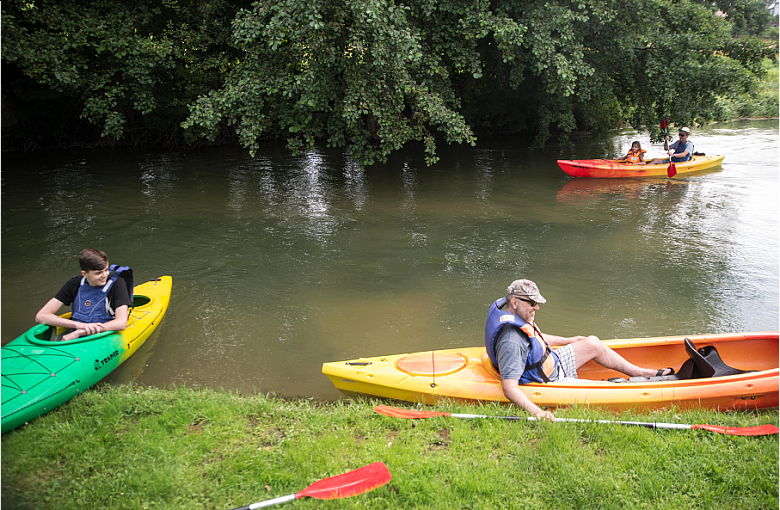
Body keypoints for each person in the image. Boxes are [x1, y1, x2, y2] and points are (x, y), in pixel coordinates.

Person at [484, 279, 673, 421]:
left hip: (552, 361)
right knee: (610, 389)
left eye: (537, 302)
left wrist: (568, 340)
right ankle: (641, 387)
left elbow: (533, 336)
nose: (537, 307)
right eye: (532, 303)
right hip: (548, 380)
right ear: (515, 302)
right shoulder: (511, 342)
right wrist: (538, 413)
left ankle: (641, 372)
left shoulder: (515, 311)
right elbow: (509, 388)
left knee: (592, 343)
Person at [35, 248, 131, 341]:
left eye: (106, 270)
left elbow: (121, 323)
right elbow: (41, 316)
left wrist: (80, 332)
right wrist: (77, 325)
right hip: (77, 331)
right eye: (98, 273)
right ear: (84, 274)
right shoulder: (74, 283)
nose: (105, 275)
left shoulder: (117, 283)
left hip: (105, 334)